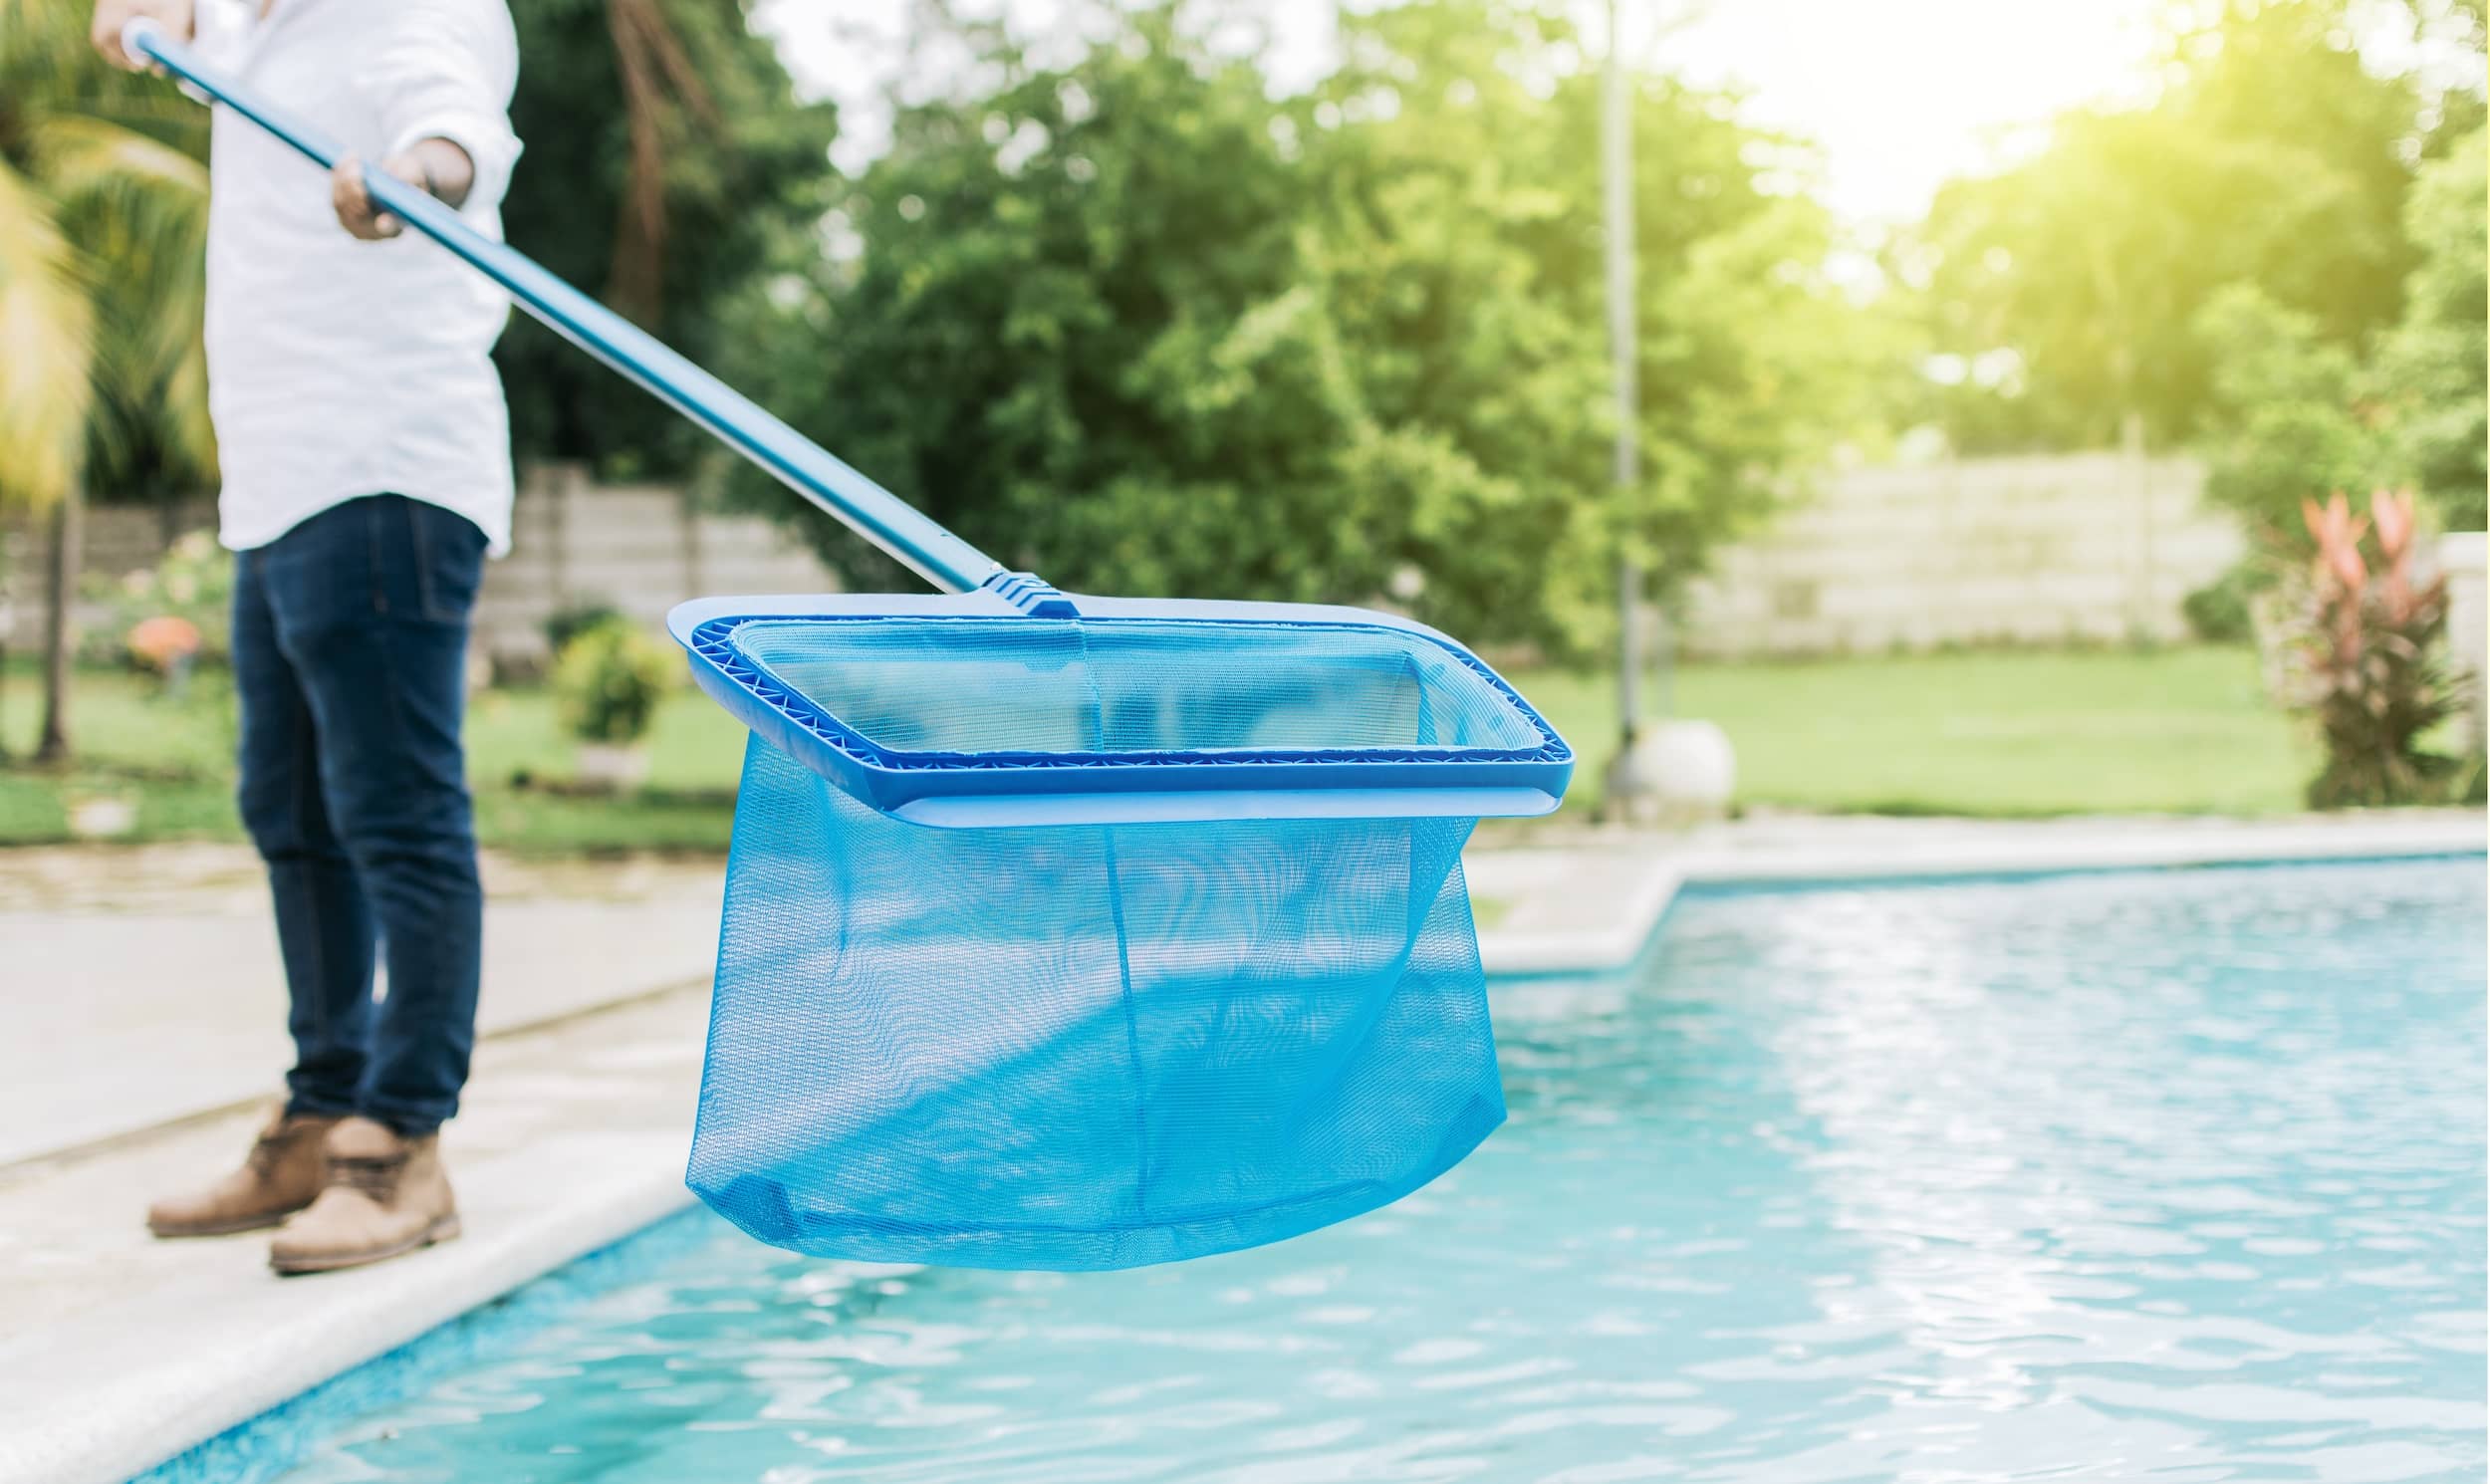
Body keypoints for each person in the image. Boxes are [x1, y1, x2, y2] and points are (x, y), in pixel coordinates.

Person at [93, 0, 523, 1275]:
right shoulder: (254, 26)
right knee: (287, 806)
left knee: (395, 814)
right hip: (276, 478)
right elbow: (172, 35)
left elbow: (458, 128)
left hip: (383, 465)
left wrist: (413, 176)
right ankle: (324, 1106)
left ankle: (401, 1145)